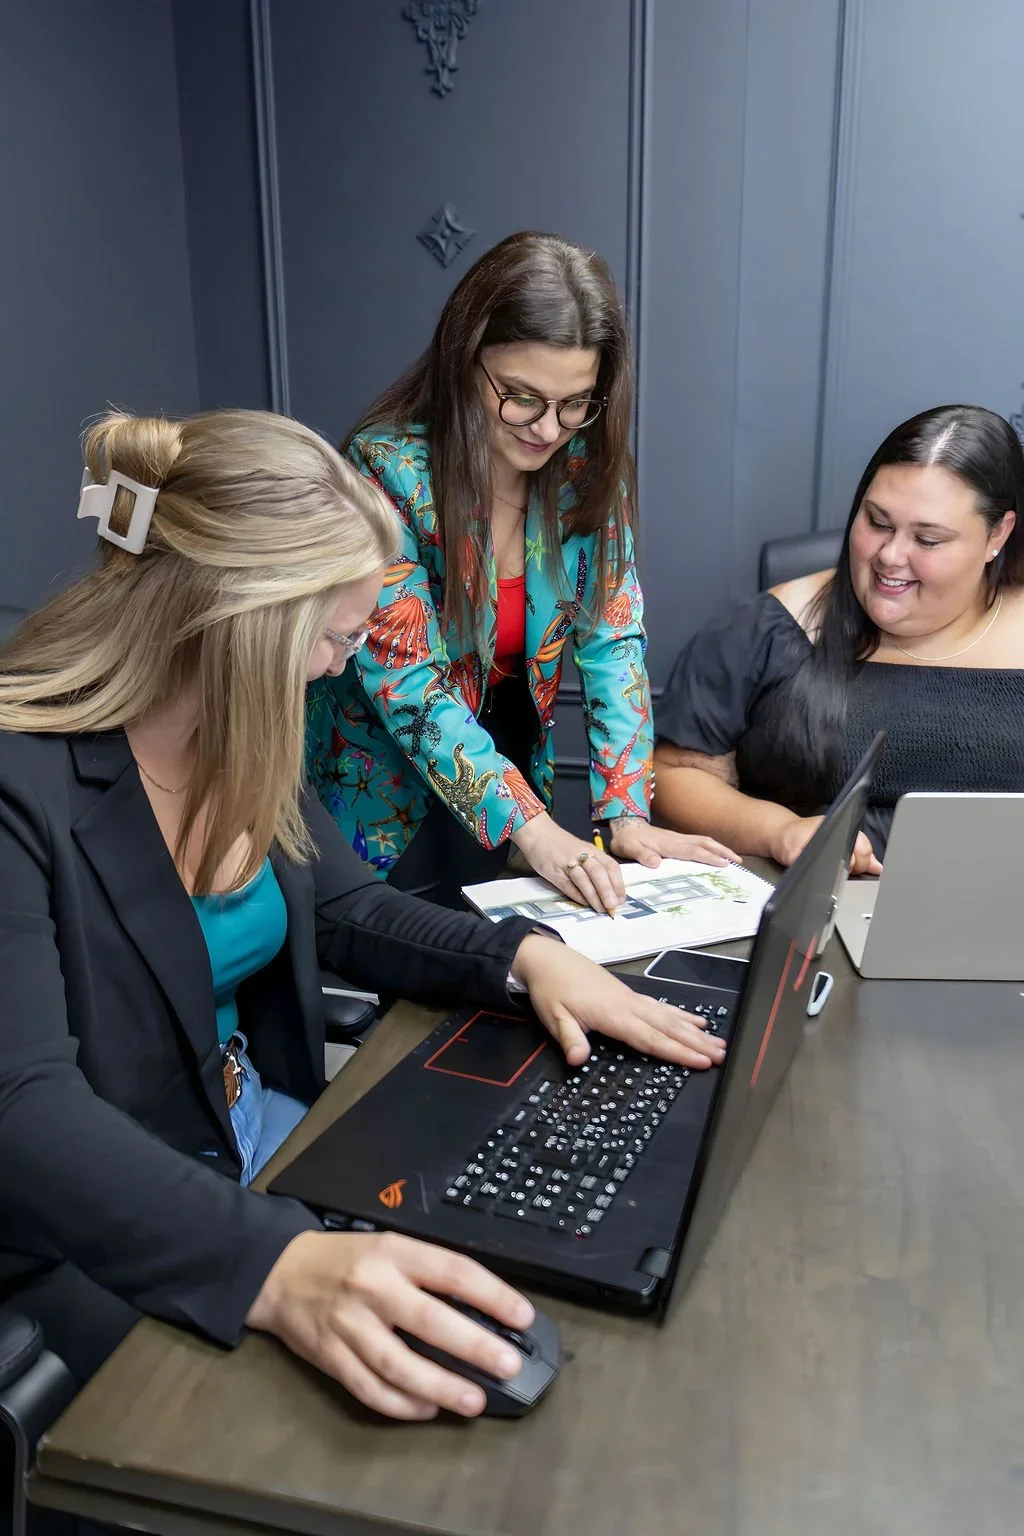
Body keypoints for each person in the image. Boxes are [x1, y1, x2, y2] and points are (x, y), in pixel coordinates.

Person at [0, 409, 727, 1421]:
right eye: (338, 637)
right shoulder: (19, 784)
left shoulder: (236, 731)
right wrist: (279, 1264)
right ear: (245, 625)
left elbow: (347, 911)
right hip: (93, 1219)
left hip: (243, 1129)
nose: (345, 667)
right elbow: (23, 1111)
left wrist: (524, 959)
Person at [306, 231, 735, 912]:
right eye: (522, 396)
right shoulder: (386, 468)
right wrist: (533, 827)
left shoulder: (585, 470)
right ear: (465, 358)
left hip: (504, 762)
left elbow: (611, 639)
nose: (548, 428)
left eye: (575, 403)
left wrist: (625, 816)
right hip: (383, 784)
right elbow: (407, 683)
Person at [653, 404, 1024, 867]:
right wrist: (779, 832)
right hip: (808, 915)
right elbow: (670, 777)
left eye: (928, 540)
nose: (890, 555)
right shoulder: (770, 628)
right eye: (877, 522)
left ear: (998, 535)